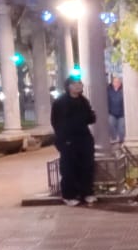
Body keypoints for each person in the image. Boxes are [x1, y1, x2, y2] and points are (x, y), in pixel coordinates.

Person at [50, 75, 97, 206]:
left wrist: (92, 116)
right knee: (69, 169)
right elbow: (56, 122)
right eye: (75, 84)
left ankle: (86, 193)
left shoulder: (83, 101)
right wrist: (63, 140)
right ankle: (69, 195)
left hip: (84, 138)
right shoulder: (61, 102)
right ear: (68, 86)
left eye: (80, 83)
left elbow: (90, 118)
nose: (78, 86)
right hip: (68, 140)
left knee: (87, 166)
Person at [106, 75, 125, 143]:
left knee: (121, 130)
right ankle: (114, 139)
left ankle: (121, 142)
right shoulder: (108, 90)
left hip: (122, 114)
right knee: (110, 124)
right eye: (115, 81)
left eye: (118, 82)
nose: (117, 83)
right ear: (113, 82)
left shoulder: (123, 90)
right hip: (111, 113)